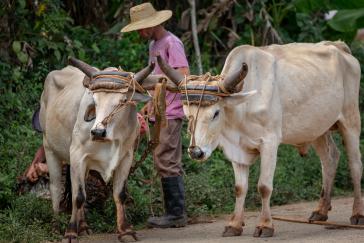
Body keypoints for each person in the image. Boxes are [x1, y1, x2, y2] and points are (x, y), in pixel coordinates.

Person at [121, 2, 189, 228]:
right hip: (157, 110)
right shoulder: (154, 44)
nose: (140, 33)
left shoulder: (171, 43)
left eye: (142, 28)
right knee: (162, 158)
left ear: (153, 24)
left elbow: (182, 76)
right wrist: (148, 103)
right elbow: (154, 78)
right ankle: (172, 211)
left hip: (170, 111)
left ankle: (176, 214)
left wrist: (159, 93)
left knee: (167, 159)